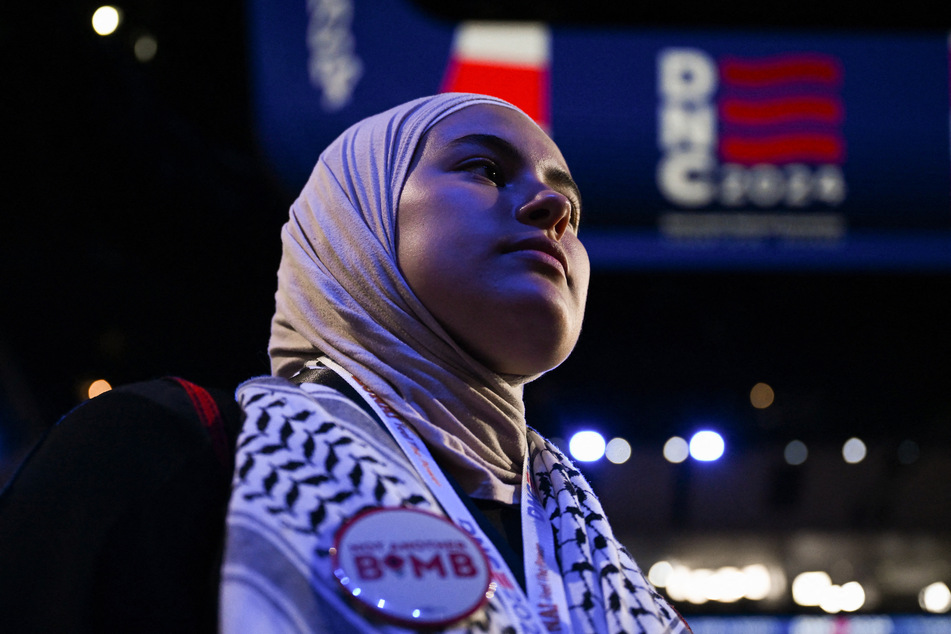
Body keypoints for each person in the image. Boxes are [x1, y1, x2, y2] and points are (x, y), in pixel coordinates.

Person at [219, 93, 690, 633]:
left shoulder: (628, 587)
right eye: (486, 169)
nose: (555, 211)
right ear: (355, 218)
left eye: (573, 209)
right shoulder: (181, 459)